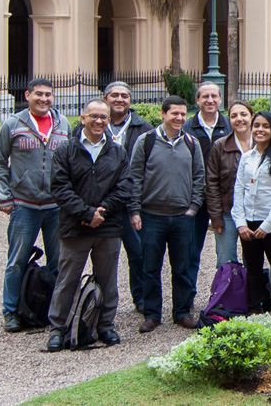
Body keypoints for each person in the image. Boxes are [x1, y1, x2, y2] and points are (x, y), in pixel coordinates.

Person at [45, 99, 132, 351]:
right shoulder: (66, 151)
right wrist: (85, 213)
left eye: (103, 118)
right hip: (75, 226)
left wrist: (101, 212)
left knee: (108, 280)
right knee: (67, 280)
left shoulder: (117, 152)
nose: (98, 121)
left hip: (107, 226)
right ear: (82, 118)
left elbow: (125, 186)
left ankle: (105, 325)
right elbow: (60, 188)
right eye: (93, 116)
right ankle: (58, 328)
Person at [0, 77, 70, 332]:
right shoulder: (13, 124)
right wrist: (5, 196)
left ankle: (54, 310)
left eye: (48, 94)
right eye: (38, 94)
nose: (44, 99)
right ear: (28, 95)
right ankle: (11, 311)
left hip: (56, 206)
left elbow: (71, 164)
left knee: (58, 261)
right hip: (23, 205)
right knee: (17, 260)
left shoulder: (63, 124)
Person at [129, 96, 206, 332]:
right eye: (175, 113)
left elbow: (199, 178)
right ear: (163, 114)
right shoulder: (146, 141)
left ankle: (181, 312)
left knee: (181, 267)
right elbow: (134, 178)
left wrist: (193, 208)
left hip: (183, 217)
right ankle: (152, 314)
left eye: (183, 114)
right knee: (150, 268)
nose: (180, 118)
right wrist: (134, 210)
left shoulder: (192, 143)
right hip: (152, 215)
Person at [232, 112, 271, 314]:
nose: (260, 130)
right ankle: (254, 308)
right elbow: (239, 189)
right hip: (249, 222)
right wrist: (240, 223)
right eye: (256, 125)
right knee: (253, 268)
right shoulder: (247, 157)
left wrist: (266, 226)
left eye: (265, 126)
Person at [103, 81, 154, 314]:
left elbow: (150, 166)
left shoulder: (144, 128)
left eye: (124, 96)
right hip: (102, 203)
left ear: (130, 101)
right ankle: (101, 299)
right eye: (114, 95)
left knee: (138, 254)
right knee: (103, 255)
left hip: (132, 202)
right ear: (106, 99)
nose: (120, 99)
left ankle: (141, 298)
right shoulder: (94, 124)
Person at [181, 81, 230, 308]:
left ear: (220, 99)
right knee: (190, 252)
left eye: (214, 96)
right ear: (197, 100)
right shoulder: (187, 128)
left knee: (227, 252)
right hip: (196, 199)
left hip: (225, 199)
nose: (210, 100)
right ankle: (187, 297)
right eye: (205, 96)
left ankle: (226, 295)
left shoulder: (229, 126)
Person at [206, 100, 254, 267]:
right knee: (225, 261)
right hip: (228, 213)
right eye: (234, 116)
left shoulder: (262, 144)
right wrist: (216, 217)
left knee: (253, 261)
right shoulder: (220, 145)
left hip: (255, 213)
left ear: (252, 116)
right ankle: (228, 293)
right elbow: (211, 182)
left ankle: (252, 293)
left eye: (243, 114)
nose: (239, 119)